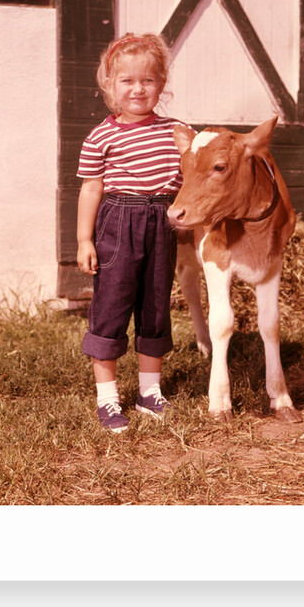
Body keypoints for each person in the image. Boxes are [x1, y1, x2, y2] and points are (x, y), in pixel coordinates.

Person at [76, 33, 189, 432]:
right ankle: (107, 399)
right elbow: (91, 188)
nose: (138, 89)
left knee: (156, 306)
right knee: (112, 305)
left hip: (161, 222)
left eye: (148, 80)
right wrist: (84, 240)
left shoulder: (177, 131)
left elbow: (193, 179)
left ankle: (149, 392)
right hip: (118, 223)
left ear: (162, 84)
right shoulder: (100, 136)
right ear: (110, 84)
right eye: (127, 80)